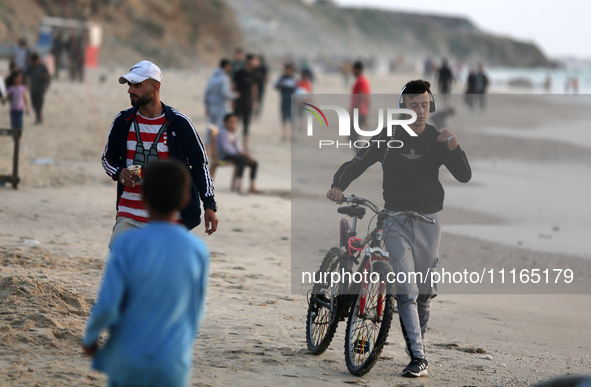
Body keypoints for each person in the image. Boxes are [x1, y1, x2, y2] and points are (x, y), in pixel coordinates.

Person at [326, 79, 471, 378]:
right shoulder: (389, 136)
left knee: (424, 293)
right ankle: (418, 356)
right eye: (414, 105)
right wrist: (338, 184)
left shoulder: (437, 140)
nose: (420, 111)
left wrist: (454, 146)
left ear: (432, 107)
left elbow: (465, 176)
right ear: (402, 106)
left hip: (430, 222)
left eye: (425, 106)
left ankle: (417, 344)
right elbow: (358, 161)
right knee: (406, 288)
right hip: (394, 220)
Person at [82, 160, 210, 387]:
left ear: (143, 198)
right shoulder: (197, 250)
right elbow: (195, 310)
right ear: (185, 199)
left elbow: (108, 305)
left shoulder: (127, 244)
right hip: (172, 363)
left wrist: (91, 339)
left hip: (128, 359)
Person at [101, 60, 218, 248]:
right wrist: (119, 171)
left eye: (137, 85)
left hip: (170, 219)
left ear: (156, 87)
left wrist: (209, 205)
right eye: (130, 85)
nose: (130, 90)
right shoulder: (123, 121)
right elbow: (108, 158)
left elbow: (199, 165)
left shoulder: (179, 123)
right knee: (122, 267)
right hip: (129, 214)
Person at [216, 113, 261, 194]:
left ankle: (252, 186)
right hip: (224, 157)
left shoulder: (234, 134)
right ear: (225, 123)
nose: (234, 124)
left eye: (235, 122)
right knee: (242, 160)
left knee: (254, 163)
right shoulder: (223, 134)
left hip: (236, 156)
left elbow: (239, 147)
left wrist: (245, 155)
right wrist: (241, 154)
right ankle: (239, 185)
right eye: (231, 122)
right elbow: (226, 149)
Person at [232, 54, 258, 149]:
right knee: (234, 122)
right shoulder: (239, 73)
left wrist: (255, 101)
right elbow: (233, 87)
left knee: (246, 124)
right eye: (250, 65)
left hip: (248, 102)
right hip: (239, 102)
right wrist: (232, 98)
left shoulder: (253, 74)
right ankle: (233, 142)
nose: (252, 67)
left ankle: (245, 144)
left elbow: (254, 88)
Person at [204, 58, 237, 129]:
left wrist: (207, 106)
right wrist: (235, 95)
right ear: (226, 66)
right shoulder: (224, 78)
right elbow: (225, 93)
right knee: (221, 125)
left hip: (211, 105)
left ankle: (209, 140)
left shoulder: (212, 77)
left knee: (211, 125)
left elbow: (207, 93)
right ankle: (218, 140)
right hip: (221, 106)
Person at [275, 63, 297, 141]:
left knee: (292, 118)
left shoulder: (293, 78)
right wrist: (281, 85)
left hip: (292, 100)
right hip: (284, 99)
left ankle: (291, 135)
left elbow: (297, 88)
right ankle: (284, 135)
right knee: (284, 118)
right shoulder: (281, 78)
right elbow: (276, 86)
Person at [350, 60, 370, 143]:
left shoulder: (361, 81)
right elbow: (367, 98)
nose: (352, 71)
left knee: (353, 137)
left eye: (353, 69)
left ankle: (361, 156)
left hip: (359, 113)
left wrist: (355, 111)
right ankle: (360, 155)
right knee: (353, 137)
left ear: (357, 69)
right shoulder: (363, 80)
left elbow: (362, 97)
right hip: (361, 112)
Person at [27, 53, 51, 124]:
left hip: (41, 89)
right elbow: (26, 75)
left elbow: (48, 77)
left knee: (39, 104)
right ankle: (39, 116)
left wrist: (43, 77)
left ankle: (38, 119)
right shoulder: (31, 67)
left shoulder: (43, 67)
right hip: (33, 89)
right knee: (33, 104)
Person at [252, 54, 268, 119]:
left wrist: (265, 82)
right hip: (253, 87)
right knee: (254, 101)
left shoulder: (263, 68)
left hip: (260, 86)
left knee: (259, 101)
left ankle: (257, 114)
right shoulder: (253, 68)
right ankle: (254, 113)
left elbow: (266, 77)